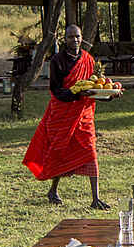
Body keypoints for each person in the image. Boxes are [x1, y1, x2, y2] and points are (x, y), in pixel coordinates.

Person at [22, 25, 107, 209]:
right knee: (60, 152)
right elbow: (56, 90)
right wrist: (76, 94)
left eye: (77, 37)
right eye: (70, 37)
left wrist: (108, 93)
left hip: (83, 115)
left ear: (81, 38)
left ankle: (95, 198)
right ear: (65, 39)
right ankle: (53, 189)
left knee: (90, 151)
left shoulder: (88, 59)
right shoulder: (57, 61)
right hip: (61, 113)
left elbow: (95, 86)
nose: (74, 40)